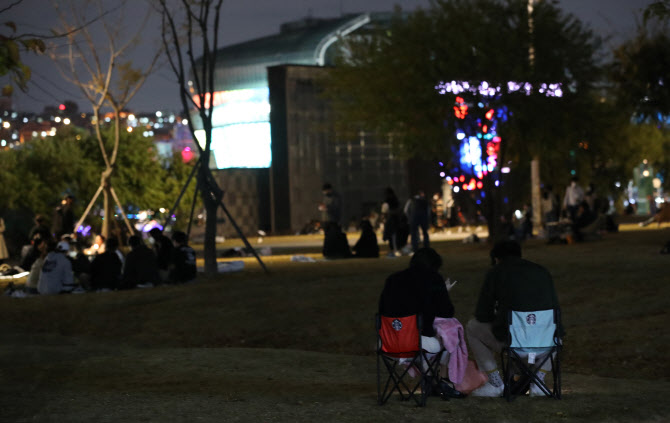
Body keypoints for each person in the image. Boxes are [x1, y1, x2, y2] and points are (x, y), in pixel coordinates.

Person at [466, 240, 563, 397]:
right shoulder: (542, 272)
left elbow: (482, 314)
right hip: (546, 344)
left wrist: (498, 316)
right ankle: (538, 382)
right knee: (557, 339)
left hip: (514, 343)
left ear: (496, 258)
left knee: (472, 327)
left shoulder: (496, 273)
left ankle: (495, 382)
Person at [378, 247, 466, 399]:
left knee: (432, 340)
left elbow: (382, 310)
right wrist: (442, 292)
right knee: (450, 337)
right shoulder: (434, 279)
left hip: (388, 344)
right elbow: (447, 312)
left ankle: (430, 381)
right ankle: (442, 382)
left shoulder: (392, 279)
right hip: (417, 343)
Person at [319, 183, 351, 259]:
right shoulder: (325, 197)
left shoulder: (336, 197)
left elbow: (336, 208)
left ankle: (333, 252)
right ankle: (328, 252)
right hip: (326, 220)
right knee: (327, 237)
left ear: (329, 189)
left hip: (333, 220)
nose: (324, 192)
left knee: (333, 236)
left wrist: (327, 208)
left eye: (325, 190)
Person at [381, 187, 401, 257]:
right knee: (393, 236)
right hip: (394, 219)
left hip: (391, 220)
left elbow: (385, 211)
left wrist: (385, 217)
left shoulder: (389, 200)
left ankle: (394, 249)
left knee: (392, 236)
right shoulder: (394, 199)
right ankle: (394, 249)